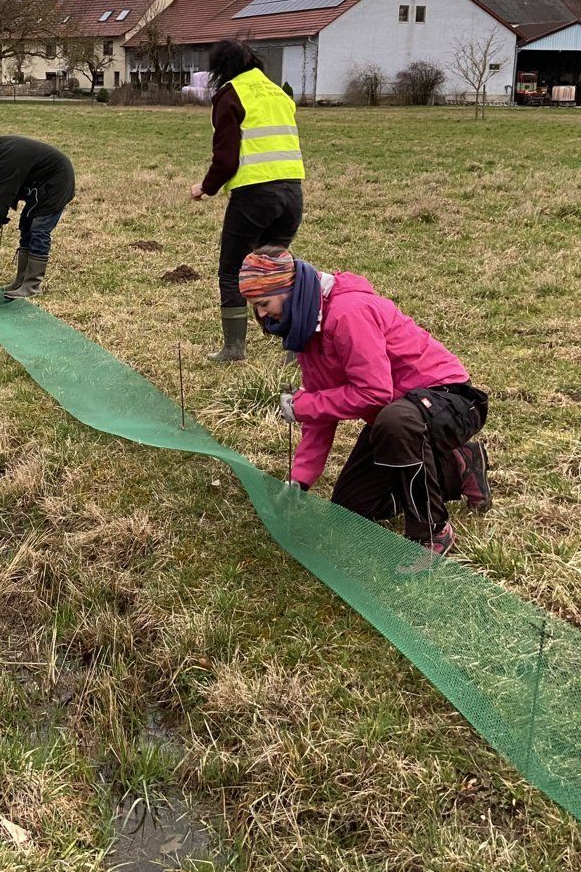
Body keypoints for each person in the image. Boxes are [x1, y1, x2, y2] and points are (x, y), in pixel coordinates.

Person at [239, 248, 491, 555]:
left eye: (264, 304)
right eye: (256, 308)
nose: (262, 315)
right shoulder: (305, 329)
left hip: (449, 399)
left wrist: (304, 405)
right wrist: (299, 481)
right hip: (397, 417)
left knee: (396, 422)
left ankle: (432, 532)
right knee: (352, 508)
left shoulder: (348, 312)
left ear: (289, 290)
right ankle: (458, 463)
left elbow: (374, 392)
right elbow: (322, 409)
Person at [188, 40, 304, 363]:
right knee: (278, 269)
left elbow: (226, 160)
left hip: (254, 196)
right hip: (292, 192)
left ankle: (234, 349)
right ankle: (293, 347)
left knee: (232, 270)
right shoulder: (279, 93)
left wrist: (205, 187)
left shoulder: (230, 94)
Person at [0, 132, 75, 299]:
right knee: (26, 225)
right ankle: (20, 281)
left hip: (57, 181)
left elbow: (0, 198)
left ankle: (31, 286)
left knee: (39, 229)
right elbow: (6, 193)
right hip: (41, 183)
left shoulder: (4, 158)